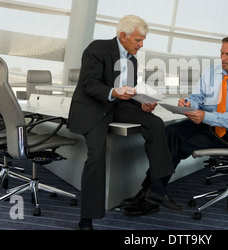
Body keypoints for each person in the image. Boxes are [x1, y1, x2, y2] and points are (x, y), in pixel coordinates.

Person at [67, 15, 178, 230]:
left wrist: (142, 103)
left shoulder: (132, 60)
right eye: (138, 40)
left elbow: (128, 92)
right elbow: (90, 84)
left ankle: (157, 187)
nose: (141, 45)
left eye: (143, 40)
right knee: (97, 155)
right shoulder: (97, 49)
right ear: (123, 36)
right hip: (93, 108)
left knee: (155, 123)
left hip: (117, 107)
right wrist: (113, 91)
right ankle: (86, 219)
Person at [147, 33, 228, 197]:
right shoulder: (212, 72)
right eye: (221, 53)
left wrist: (205, 117)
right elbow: (197, 98)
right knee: (170, 132)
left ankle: (149, 194)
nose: (223, 58)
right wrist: (188, 104)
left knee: (175, 147)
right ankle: (151, 193)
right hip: (207, 124)